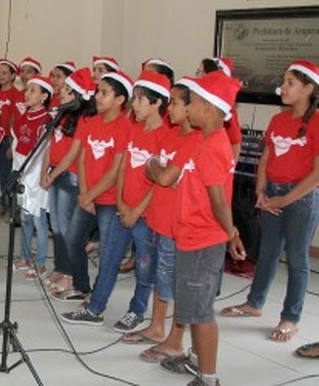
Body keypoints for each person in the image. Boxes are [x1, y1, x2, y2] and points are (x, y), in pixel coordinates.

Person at [220, 60, 319, 344]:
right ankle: (254, 303)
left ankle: (291, 317)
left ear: (309, 88)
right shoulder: (278, 120)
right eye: (284, 81)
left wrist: (286, 198)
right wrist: (262, 192)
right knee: (267, 251)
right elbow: (266, 158)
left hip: (300, 197)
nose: (282, 87)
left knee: (298, 258)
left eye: (291, 83)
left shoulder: (316, 122)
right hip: (272, 193)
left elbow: (317, 171)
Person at [62, 71, 168, 332]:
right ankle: (95, 308)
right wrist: (121, 203)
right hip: (123, 209)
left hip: (145, 215)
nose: (136, 105)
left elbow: (158, 184)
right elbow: (121, 170)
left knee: (144, 266)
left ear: (157, 104)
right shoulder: (133, 130)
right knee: (109, 258)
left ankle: (136, 310)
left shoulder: (164, 136)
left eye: (142, 100)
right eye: (136, 99)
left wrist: (136, 210)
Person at [169, 71, 244, 386]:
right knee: (192, 306)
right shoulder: (207, 139)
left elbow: (219, 201)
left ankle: (209, 378)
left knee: (201, 313)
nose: (188, 108)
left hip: (203, 239)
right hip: (192, 236)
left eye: (195, 103)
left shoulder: (212, 146)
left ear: (212, 109)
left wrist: (231, 233)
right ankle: (197, 361)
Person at [125, 82, 202, 366]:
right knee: (160, 277)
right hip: (158, 218)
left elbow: (164, 176)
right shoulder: (171, 135)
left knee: (173, 282)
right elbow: (155, 169)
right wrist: (157, 169)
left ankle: (175, 340)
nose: (170, 108)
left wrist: (156, 168)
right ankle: (158, 327)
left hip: (175, 222)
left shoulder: (194, 139)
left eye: (175, 103)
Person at [61, 71, 132, 302]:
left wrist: (91, 194)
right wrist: (84, 194)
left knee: (108, 253)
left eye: (104, 93)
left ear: (120, 100)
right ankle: (82, 286)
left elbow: (116, 169)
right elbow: (82, 159)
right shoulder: (90, 122)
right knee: (73, 240)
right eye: (97, 91)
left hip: (110, 200)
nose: (97, 96)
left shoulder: (124, 126)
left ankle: (98, 300)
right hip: (87, 196)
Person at [40, 68, 97, 298]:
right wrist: (44, 171)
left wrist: (53, 175)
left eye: (66, 90)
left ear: (78, 95)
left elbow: (73, 153)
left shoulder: (83, 119)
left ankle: (71, 273)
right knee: (57, 226)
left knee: (67, 229)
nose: (61, 92)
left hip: (69, 177)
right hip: (55, 173)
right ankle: (61, 267)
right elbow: (50, 146)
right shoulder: (61, 115)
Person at [11, 75, 53, 279]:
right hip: (23, 174)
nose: (27, 94)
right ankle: (24, 256)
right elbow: (17, 144)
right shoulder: (23, 117)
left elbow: (44, 152)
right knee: (25, 218)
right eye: (27, 89)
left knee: (39, 221)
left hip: (37, 177)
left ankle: (41, 263)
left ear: (44, 96)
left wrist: (36, 177)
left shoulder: (47, 121)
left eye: (33, 90)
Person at [0, 58, 23, 215]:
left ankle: (6, 204)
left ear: (12, 76)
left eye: (5, 73)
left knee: (6, 172)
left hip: (6, 140)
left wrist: (11, 144)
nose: (1, 75)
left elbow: (15, 120)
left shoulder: (16, 94)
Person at [198, 58, 243, 161]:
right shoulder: (196, 104)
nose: (198, 77)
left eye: (202, 73)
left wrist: (229, 171)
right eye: (198, 72)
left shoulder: (225, 111)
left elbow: (235, 145)